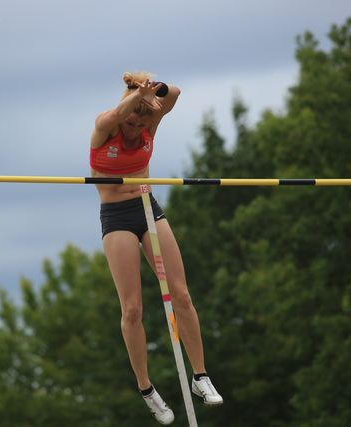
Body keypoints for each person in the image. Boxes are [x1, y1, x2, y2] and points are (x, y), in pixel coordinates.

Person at [89, 71, 223, 425]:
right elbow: (118, 115)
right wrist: (135, 97)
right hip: (117, 217)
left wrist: (151, 92)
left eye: (142, 122)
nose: (136, 128)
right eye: (132, 121)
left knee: (182, 294)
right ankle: (147, 389)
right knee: (132, 309)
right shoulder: (105, 126)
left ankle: (200, 377)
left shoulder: (150, 122)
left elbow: (174, 92)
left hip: (148, 208)